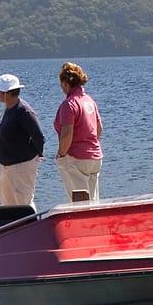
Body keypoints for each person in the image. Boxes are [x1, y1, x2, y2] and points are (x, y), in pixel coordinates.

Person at [0, 72, 45, 208]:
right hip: (7, 167)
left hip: (22, 166)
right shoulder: (8, 109)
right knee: (9, 207)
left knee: (23, 204)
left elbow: (38, 136)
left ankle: (32, 228)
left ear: (7, 93)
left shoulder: (24, 111)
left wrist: (37, 155)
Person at [53, 61, 103, 201]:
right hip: (94, 156)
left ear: (65, 83)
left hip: (76, 158)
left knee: (78, 204)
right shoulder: (89, 101)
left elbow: (67, 134)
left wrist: (61, 154)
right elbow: (99, 128)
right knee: (93, 202)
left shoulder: (69, 104)